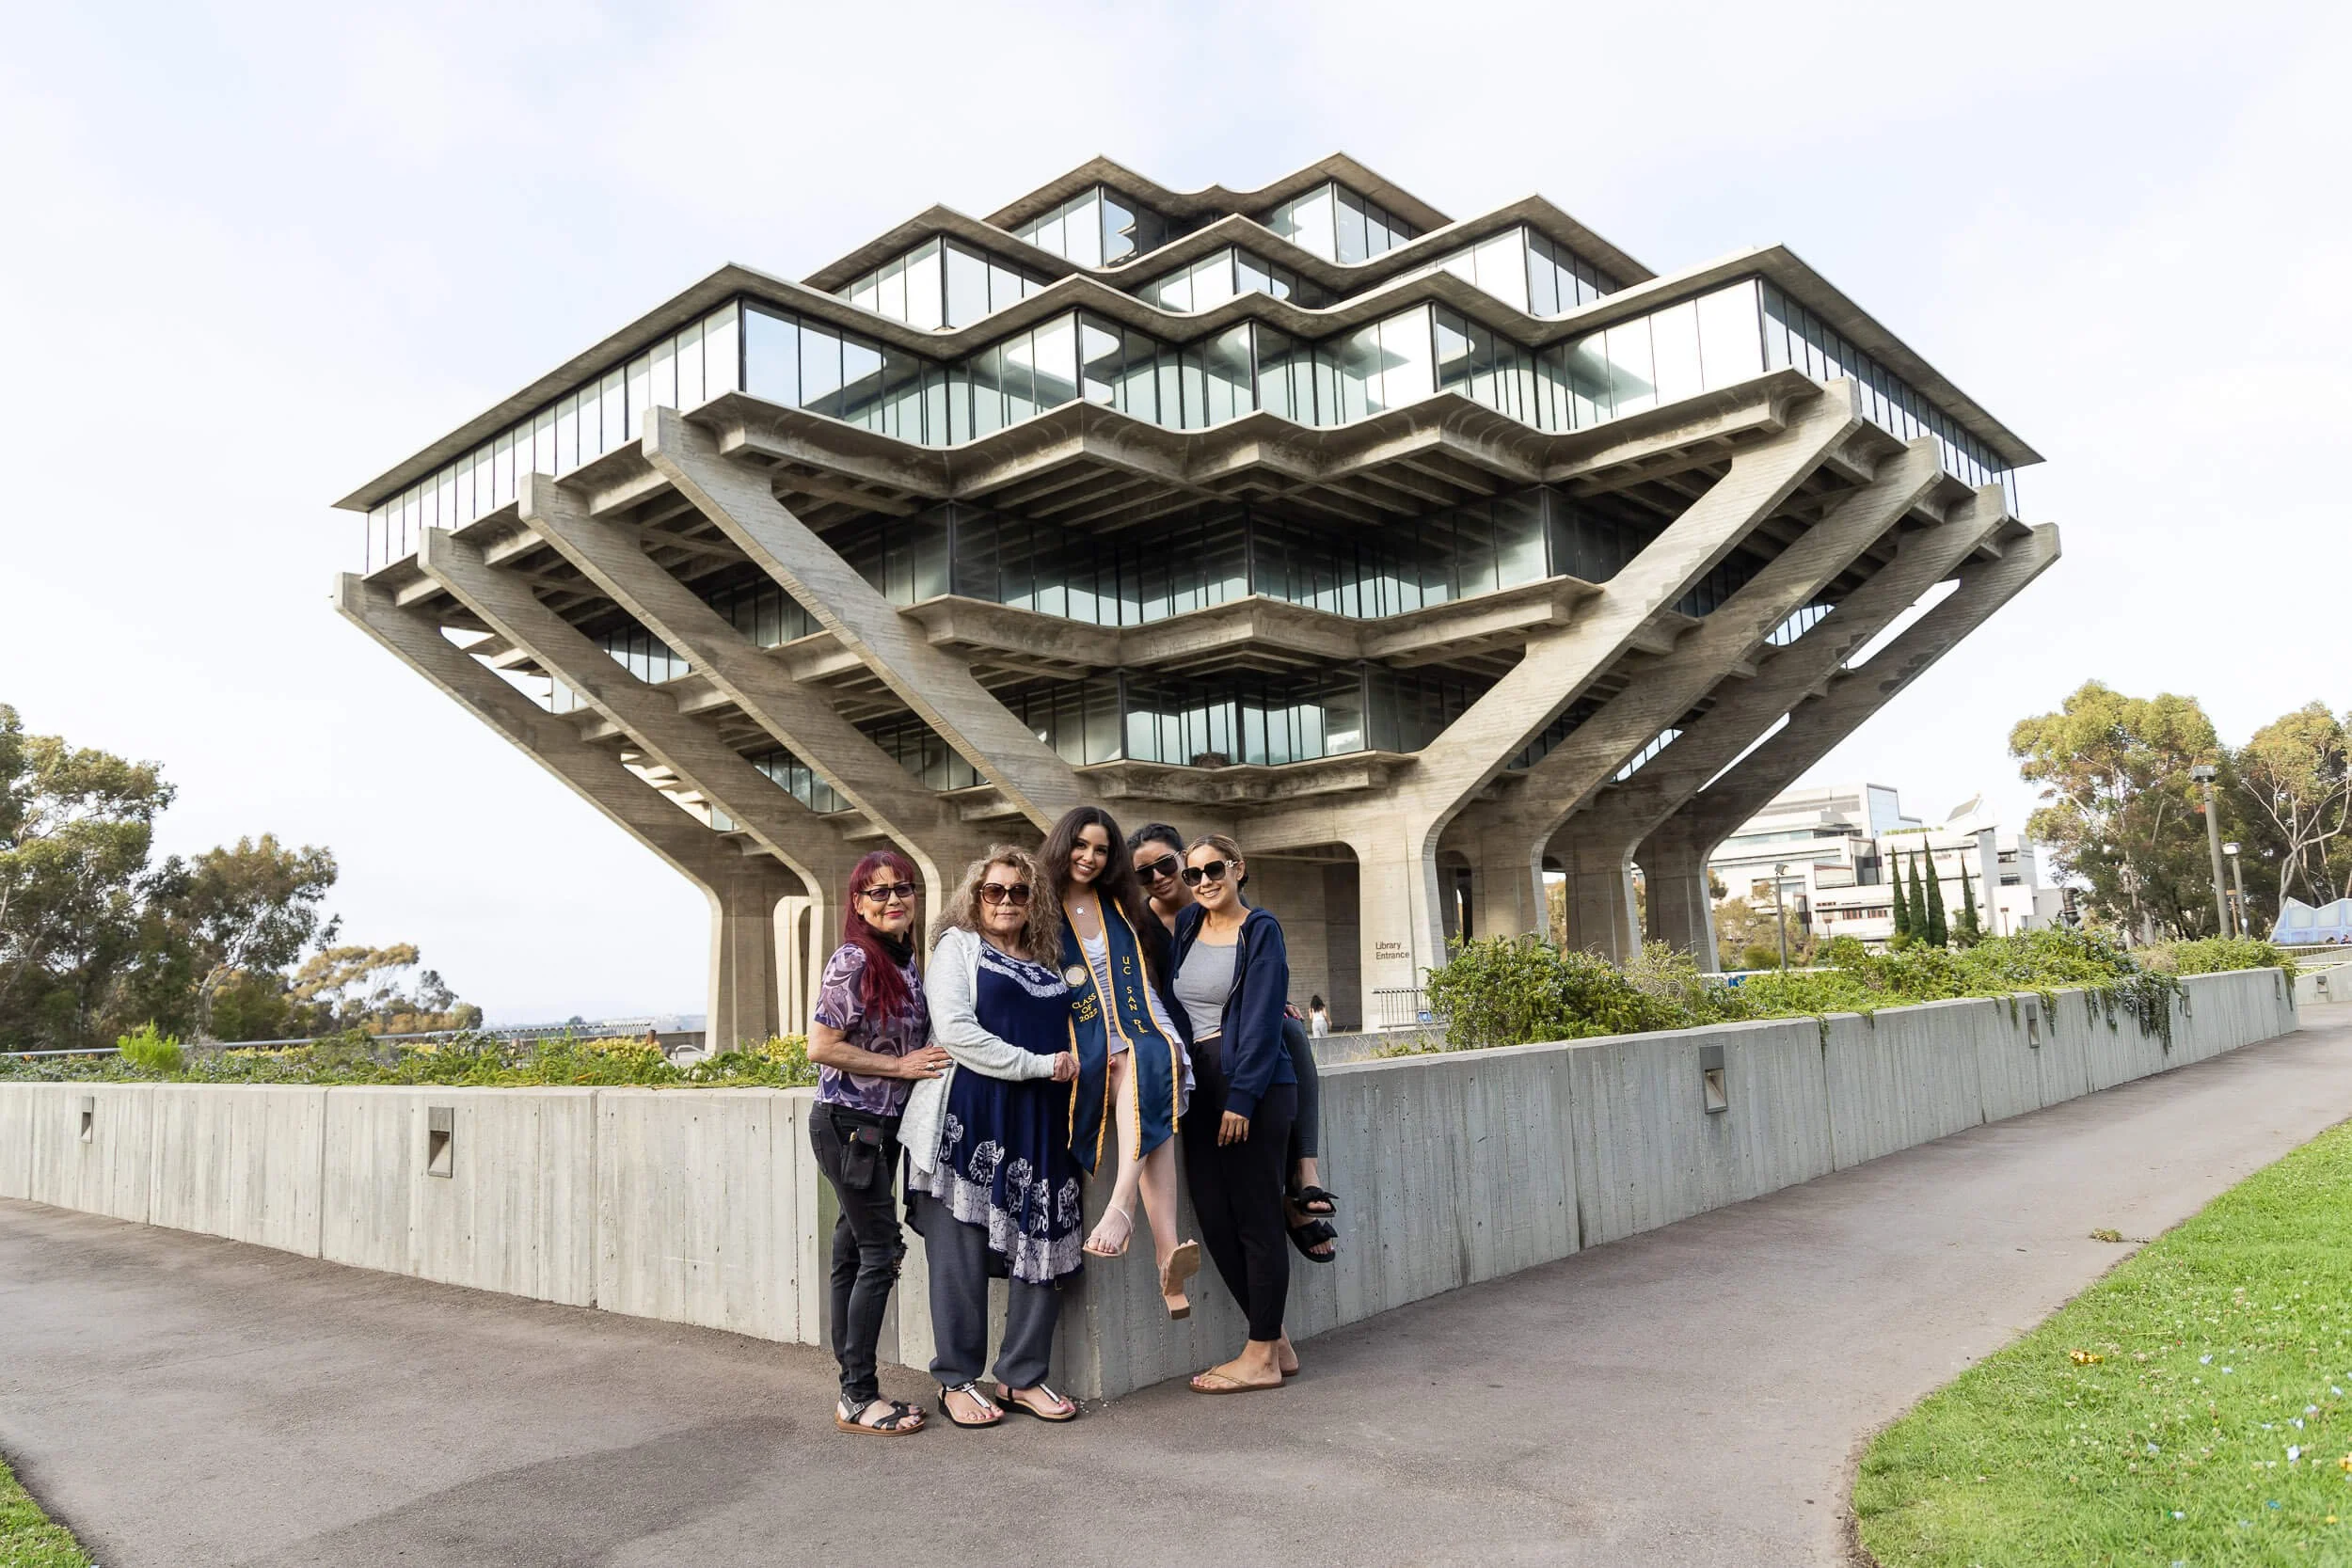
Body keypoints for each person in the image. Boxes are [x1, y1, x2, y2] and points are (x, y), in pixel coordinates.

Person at [900, 847, 1086, 1428]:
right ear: (975, 896)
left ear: (1035, 901)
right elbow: (956, 1032)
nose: (1006, 901)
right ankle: (956, 1379)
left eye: (1019, 892)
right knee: (958, 1255)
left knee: (1044, 1244)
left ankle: (1020, 1376)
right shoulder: (957, 947)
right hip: (969, 1115)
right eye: (994, 891)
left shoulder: (1051, 958)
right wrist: (1038, 1065)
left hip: (1044, 1120)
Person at [1131, 821, 1337, 1265]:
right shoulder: (1143, 922)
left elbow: (1253, 963)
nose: (1160, 877)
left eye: (1167, 864)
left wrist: (1266, 996)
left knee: (1289, 1032)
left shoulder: (1221, 898)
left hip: (1240, 1036)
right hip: (1188, 1039)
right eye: (1144, 873)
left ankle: (1304, 1174)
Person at [805, 849, 947, 1436]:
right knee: (881, 1252)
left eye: (903, 889)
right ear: (858, 904)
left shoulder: (902, 959)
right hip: (849, 1123)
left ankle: (851, 1381)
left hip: (877, 1129)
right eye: (878, 892)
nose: (894, 900)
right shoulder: (855, 960)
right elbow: (821, 1045)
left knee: (853, 1248)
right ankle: (857, 1396)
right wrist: (902, 1065)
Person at [1044, 807, 1202, 1318]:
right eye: (1082, 846)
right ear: (1064, 845)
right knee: (1146, 1085)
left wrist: (1160, 1036)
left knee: (1150, 1056)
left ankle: (1126, 1210)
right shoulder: (1040, 908)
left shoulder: (1120, 905)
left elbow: (1151, 984)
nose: (1090, 858)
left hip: (1138, 1029)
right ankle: (1162, 1248)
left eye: (1101, 850)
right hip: (1081, 1043)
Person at [1172, 832, 1302, 1393]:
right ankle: (1273, 1339)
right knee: (1214, 1217)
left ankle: (1260, 1356)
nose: (1203, 881)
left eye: (1214, 869)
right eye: (1193, 874)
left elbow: (1266, 1013)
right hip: (1199, 1083)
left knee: (1256, 1218)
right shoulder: (1186, 927)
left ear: (1238, 869)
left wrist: (1243, 1097)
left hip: (1252, 1083)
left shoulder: (1261, 929)